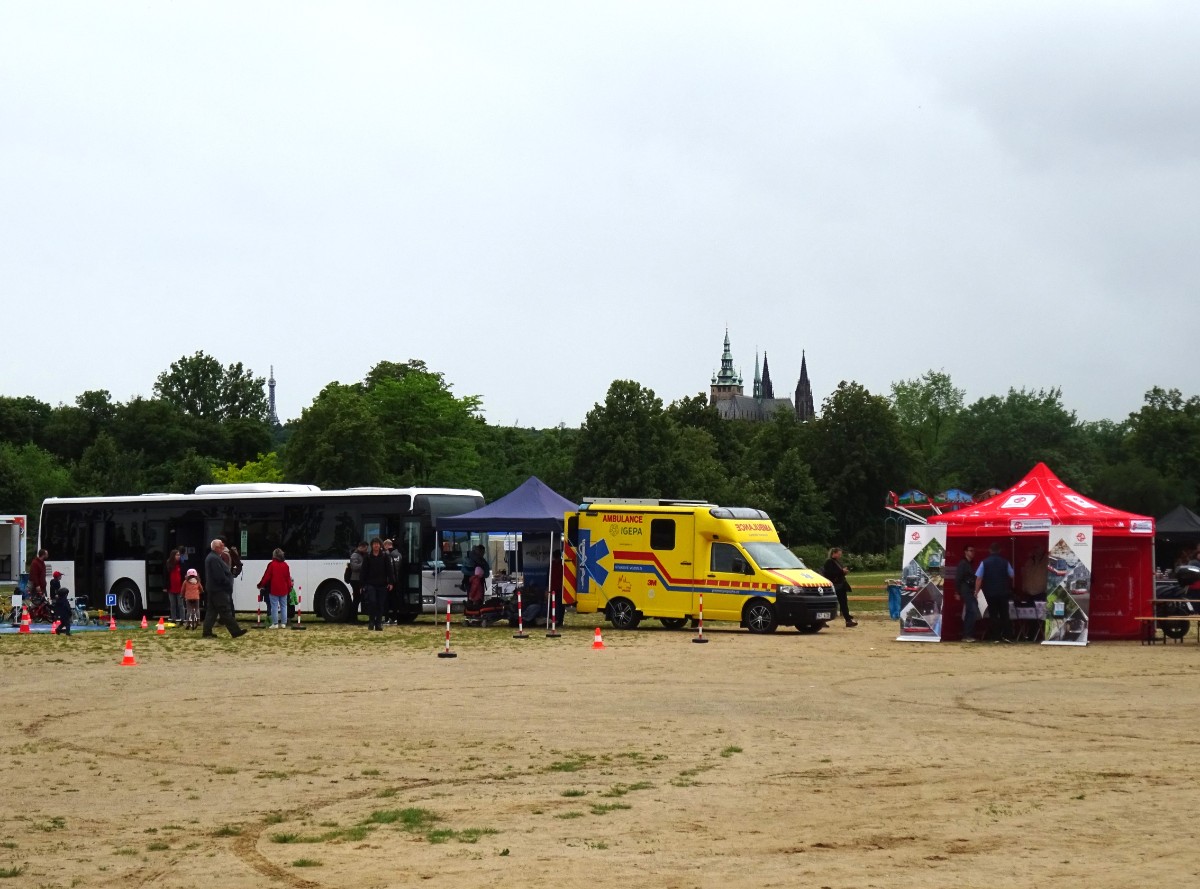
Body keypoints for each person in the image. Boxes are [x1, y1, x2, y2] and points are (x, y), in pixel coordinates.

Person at [203, 539, 245, 638]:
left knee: (212, 612)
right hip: (218, 589)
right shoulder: (214, 558)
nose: (223, 548)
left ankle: (207, 632)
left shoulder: (212, 557)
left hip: (214, 589)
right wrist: (227, 583)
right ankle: (235, 631)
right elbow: (219, 575)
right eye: (221, 546)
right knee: (225, 611)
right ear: (216, 547)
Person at [975, 542, 1015, 643]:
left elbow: (979, 578)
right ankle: (1007, 636)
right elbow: (1012, 575)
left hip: (990, 593)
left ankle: (996, 637)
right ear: (1000, 550)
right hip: (1003, 592)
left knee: (993, 615)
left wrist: (976, 591)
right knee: (1004, 614)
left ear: (989, 550)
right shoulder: (1005, 562)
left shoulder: (984, 562)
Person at [360, 537, 394, 631]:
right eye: (374, 544)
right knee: (372, 602)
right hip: (370, 584)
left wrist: (391, 582)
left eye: (377, 544)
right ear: (372, 545)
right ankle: (371, 621)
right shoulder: (367, 556)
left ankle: (378, 623)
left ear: (380, 545)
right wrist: (362, 585)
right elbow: (363, 571)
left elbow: (389, 570)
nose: (376, 545)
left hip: (382, 584)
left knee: (380, 604)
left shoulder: (385, 556)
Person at [821, 547, 858, 628]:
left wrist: (843, 572)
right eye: (839, 554)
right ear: (834, 553)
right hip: (835, 586)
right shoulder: (829, 562)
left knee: (843, 603)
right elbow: (830, 573)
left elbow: (838, 573)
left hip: (840, 585)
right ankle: (822, 620)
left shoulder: (836, 562)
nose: (840, 556)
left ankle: (848, 620)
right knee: (829, 603)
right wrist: (842, 571)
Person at [258, 548, 294, 629]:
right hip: (284, 589)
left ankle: (275, 623)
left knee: (274, 607)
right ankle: (283, 623)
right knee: (284, 606)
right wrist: (289, 588)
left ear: (274, 555)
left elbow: (266, 577)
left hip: (274, 589)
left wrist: (260, 585)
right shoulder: (285, 565)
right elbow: (288, 578)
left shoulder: (272, 564)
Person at [955, 545, 979, 641]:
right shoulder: (963, 563)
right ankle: (967, 635)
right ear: (965, 552)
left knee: (971, 611)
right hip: (966, 590)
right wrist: (957, 592)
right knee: (972, 610)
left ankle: (967, 634)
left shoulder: (970, 564)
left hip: (970, 590)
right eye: (971, 550)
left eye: (974, 551)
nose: (973, 552)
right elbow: (958, 578)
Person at [348, 541, 367, 622]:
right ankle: (352, 618)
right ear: (361, 547)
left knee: (357, 598)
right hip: (355, 580)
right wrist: (364, 563)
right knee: (356, 599)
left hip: (358, 579)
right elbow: (354, 567)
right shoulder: (355, 555)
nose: (366, 550)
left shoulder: (360, 555)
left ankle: (353, 617)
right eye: (365, 549)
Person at [165, 548, 184, 625]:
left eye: (179, 555)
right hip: (171, 587)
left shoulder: (181, 563)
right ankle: (173, 618)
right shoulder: (169, 564)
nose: (178, 556)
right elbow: (166, 576)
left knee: (180, 604)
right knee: (173, 604)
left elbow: (183, 575)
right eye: (177, 555)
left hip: (180, 587)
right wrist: (165, 587)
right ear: (173, 556)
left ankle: (182, 619)